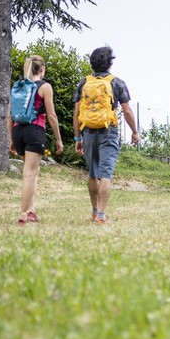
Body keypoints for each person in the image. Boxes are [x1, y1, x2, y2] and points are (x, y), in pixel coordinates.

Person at [72, 46, 139, 224]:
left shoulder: (83, 83)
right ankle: (101, 216)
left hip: (87, 132)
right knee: (106, 175)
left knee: (93, 174)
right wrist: (134, 132)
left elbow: (77, 113)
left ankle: (94, 212)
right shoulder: (117, 83)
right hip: (108, 132)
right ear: (109, 63)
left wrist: (78, 138)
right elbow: (127, 111)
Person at [8, 55, 64, 225]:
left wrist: (11, 138)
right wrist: (59, 139)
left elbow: (10, 115)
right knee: (29, 174)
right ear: (42, 69)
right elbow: (52, 115)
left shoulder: (19, 86)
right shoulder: (45, 87)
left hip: (18, 131)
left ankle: (31, 210)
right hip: (34, 130)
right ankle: (24, 213)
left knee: (31, 173)